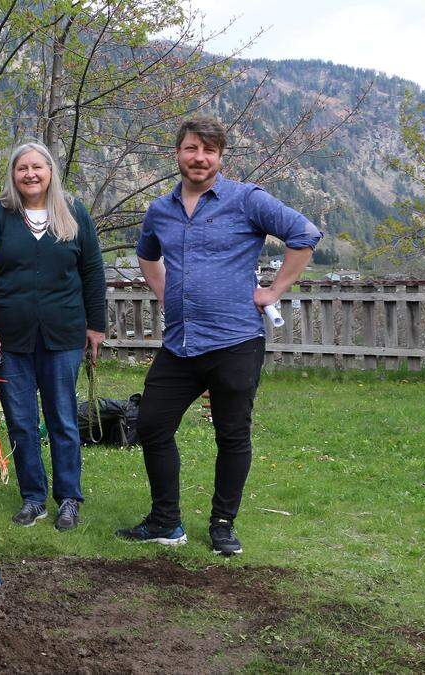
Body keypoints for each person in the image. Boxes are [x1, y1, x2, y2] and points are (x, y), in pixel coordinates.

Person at [117, 117, 321, 556]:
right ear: (178, 153)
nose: (199, 158)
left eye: (209, 150)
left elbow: (304, 235)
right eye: (191, 148)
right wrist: (163, 291)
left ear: (220, 156)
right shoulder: (161, 210)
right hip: (181, 343)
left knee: (232, 435)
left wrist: (274, 290)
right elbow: (147, 253)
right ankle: (165, 521)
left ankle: (223, 524)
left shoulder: (246, 200)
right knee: (152, 424)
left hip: (235, 342)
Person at [0, 141, 106, 532]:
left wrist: (95, 326)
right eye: (22, 168)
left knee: (63, 418)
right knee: (21, 420)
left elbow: (93, 272)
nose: (30, 174)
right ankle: (33, 498)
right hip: (11, 339)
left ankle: (68, 498)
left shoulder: (73, 212)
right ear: (13, 175)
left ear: (50, 171)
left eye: (37, 167)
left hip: (63, 335)